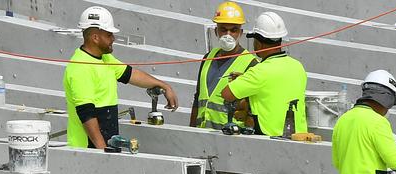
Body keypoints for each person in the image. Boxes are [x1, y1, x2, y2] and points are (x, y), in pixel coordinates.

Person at [64, 6, 178, 149]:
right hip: (87, 149)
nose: (113, 38)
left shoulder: (105, 58)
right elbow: (87, 115)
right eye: (109, 35)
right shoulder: (80, 67)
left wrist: (164, 86)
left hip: (104, 146)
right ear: (95, 37)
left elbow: (131, 74)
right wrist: (102, 152)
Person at [221, 11, 308, 137]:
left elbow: (227, 94)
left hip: (271, 140)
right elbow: (276, 87)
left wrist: (245, 79)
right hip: (299, 139)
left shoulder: (259, 71)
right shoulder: (298, 67)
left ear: (259, 42)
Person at [190, 1, 258, 130]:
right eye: (223, 29)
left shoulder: (251, 63)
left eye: (233, 30)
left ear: (241, 33)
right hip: (202, 132)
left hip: (231, 136)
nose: (228, 35)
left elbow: (252, 108)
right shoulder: (208, 57)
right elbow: (198, 97)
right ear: (216, 31)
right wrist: (191, 129)